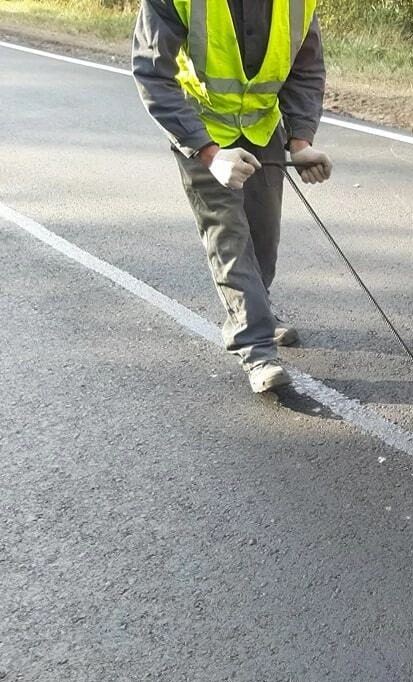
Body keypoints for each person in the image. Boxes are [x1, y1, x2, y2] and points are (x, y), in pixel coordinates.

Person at [131, 0, 332, 393]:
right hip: (201, 129)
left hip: (261, 128)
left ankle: (259, 312)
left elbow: (306, 68)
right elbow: (152, 72)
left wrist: (300, 141)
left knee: (263, 237)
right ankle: (256, 348)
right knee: (230, 237)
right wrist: (208, 153)